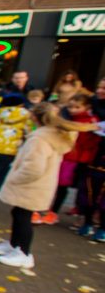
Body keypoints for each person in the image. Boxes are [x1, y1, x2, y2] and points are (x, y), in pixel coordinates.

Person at [0, 103, 97, 268]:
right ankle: (14, 245)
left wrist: (15, 179)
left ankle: (23, 253)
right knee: (19, 213)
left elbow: (33, 167)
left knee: (23, 217)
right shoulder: (52, 136)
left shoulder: (39, 139)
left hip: (30, 185)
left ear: (35, 117)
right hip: (38, 185)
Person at [39, 92, 99, 225]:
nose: (73, 110)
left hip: (75, 158)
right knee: (56, 183)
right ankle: (46, 209)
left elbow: (90, 141)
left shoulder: (89, 121)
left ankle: (52, 212)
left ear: (87, 107)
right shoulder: (65, 118)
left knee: (63, 185)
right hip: (65, 155)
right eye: (71, 107)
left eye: (77, 107)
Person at [75, 123, 105, 241]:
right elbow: (84, 144)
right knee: (88, 197)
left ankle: (102, 229)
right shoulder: (97, 130)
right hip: (92, 170)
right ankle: (87, 223)